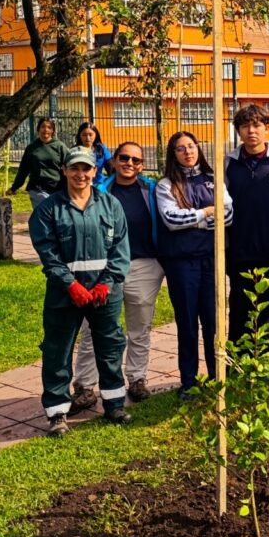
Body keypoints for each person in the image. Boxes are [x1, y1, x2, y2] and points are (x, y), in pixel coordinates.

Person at [28, 150, 129, 435]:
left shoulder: (110, 205)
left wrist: (106, 283)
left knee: (110, 347)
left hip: (104, 293)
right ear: (64, 171)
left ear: (94, 171)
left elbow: (121, 251)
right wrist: (70, 284)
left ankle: (114, 403)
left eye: (86, 169)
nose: (80, 175)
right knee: (58, 350)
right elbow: (48, 253)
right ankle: (57, 412)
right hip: (64, 293)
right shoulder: (49, 209)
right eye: (74, 169)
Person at [76, 139, 162, 404]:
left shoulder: (151, 190)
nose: (129, 164)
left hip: (144, 266)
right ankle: (85, 385)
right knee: (93, 328)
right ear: (114, 161)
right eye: (124, 158)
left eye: (136, 160)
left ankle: (137, 379)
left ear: (142, 165)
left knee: (140, 327)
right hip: (105, 269)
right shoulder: (99, 190)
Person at [222, 103, 269, 353]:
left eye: (256, 125)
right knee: (239, 304)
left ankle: (260, 356)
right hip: (238, 248)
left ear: (267, 128)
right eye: (245, 126)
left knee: (265, 305)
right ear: (238, 131)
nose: (251, 131)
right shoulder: (228, 162)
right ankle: (236, 357)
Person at [157, 130, 224, 389]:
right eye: (180, 148)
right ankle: (189, 382)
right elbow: (171, 220)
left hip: (210, 260)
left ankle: (218, 376)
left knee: (213, 322)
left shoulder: (212, 179)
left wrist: (194, 218)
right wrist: (207, 212)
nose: (188, 152)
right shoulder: (166, 185)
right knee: (187, 324)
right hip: (182, 264)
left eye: (191, 146)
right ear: (173, 154)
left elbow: (227, 216)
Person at [10, 115, 74, 204]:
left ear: (53, 131)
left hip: (57, 187)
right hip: (37, 187)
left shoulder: (60, 146)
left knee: (56, 215)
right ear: (38, 129)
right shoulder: (31, 148)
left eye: (49, 127)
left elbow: (70, 166)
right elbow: (23, 169)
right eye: (43, 126)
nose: (46, 130)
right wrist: (14, 187)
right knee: (43, 213)